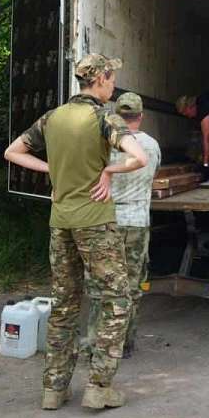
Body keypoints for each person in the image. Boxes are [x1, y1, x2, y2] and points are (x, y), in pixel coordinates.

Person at [4, 54, 149, 411]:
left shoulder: (52, 118)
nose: (113, 84)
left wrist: (52, 168)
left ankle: (53, 389)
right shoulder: (104, 117)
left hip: (60, 223)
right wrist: (110, 172)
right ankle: (99, 386)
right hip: (95, 222)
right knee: (117, 300)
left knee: (64, 303)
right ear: (99, 79)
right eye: (111, 78)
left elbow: (13, 152)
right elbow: (139, 157)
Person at [83, 92, 161, 358]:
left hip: (107, 220)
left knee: (101, 285)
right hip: (137, 222)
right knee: (131, 286)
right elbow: (153, 174)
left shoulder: (104, 142)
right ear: (141, 116)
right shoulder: (151, 146)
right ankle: (125, 344)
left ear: (117, 115)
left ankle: (95, 341)